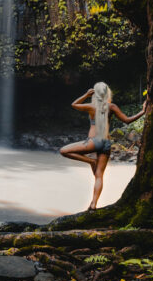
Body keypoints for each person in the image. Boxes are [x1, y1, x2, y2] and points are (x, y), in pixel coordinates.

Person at [59, 82, 145, 210]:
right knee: (99, 176)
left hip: (94, 141)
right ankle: (93, 204)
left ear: (95, 94)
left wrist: (86, 95)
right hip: (106, 143)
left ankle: (90, 161)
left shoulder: (91, 106)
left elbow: (74, 104)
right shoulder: (112, 107)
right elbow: (127, 120)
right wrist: (143, 111)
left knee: (63, 150)